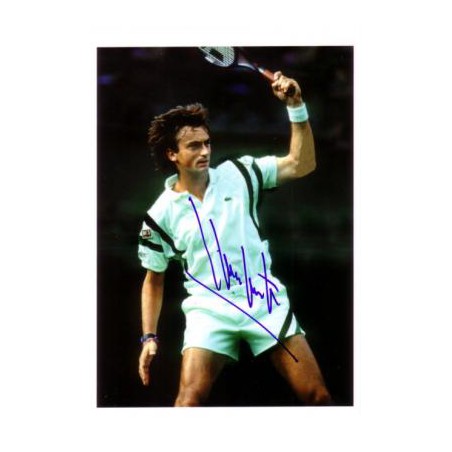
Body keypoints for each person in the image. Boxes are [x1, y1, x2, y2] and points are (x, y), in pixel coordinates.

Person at [137, 71, 332, 406]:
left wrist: (296, 106)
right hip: (209, 308)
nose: (205, 151)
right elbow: (154, 279)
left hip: (264, 300)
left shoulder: (240, 174)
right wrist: (149, 337)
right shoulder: (159, 214)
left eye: (207, 143)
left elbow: (301, 164)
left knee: (318, 397)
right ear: (172, 154)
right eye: (194, 145)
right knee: (187, 402)